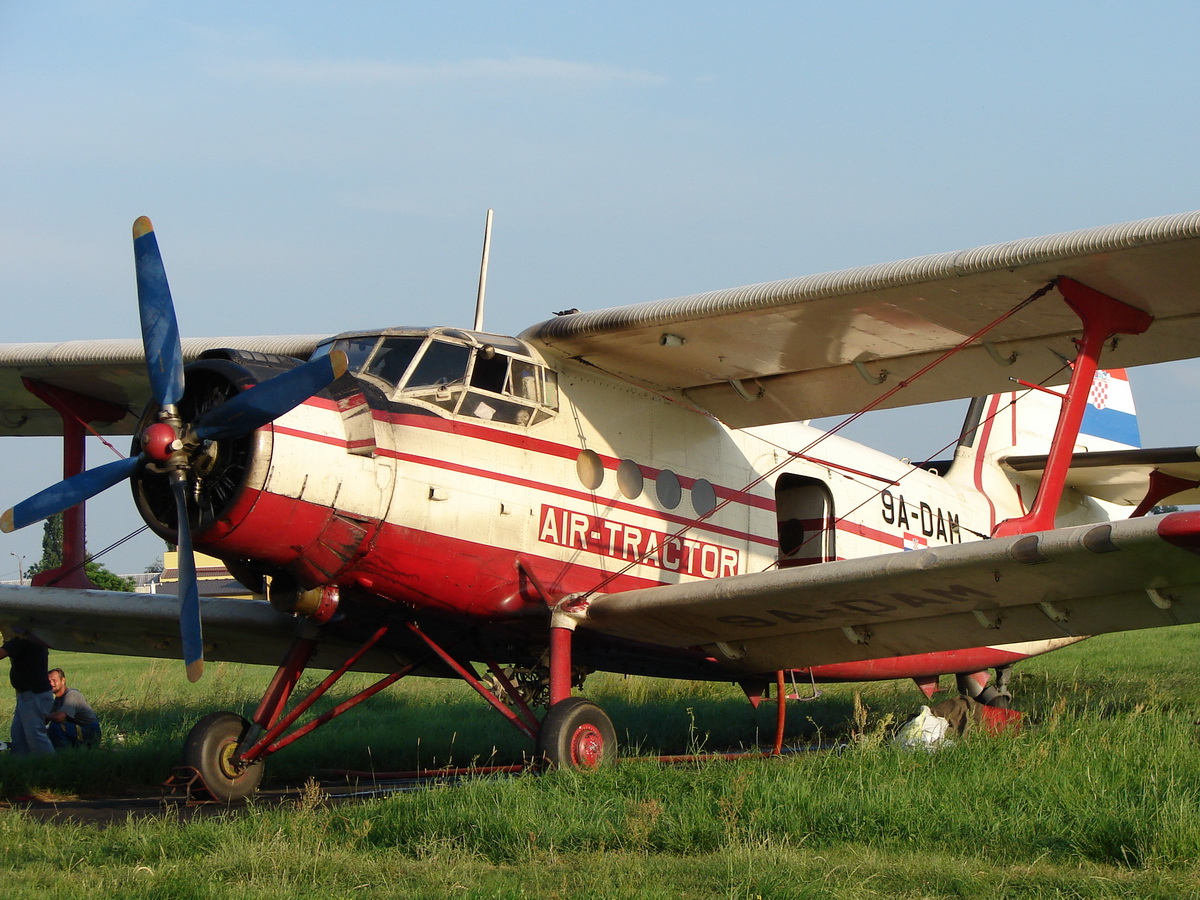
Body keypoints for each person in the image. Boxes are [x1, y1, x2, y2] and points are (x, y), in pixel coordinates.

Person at [0, 627, 54, 755]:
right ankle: (22, 765)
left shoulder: (22, 640)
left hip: (33, 694)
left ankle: (48, 765)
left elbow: (2, 653)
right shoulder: (35, 639)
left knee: (35, 736)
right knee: (19, 735)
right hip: (28, 694)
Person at [46, 668, 101, 748]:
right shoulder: (58, 699)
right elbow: (48, 718)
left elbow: (59, 717)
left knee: (56, 726)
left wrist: (44, 716)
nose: (51, 683)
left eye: (54, 680)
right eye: (49, 681)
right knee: (47, 729)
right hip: (77, 729)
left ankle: (62, 754)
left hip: (90, 731)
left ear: (63, 680)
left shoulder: (72, 695)